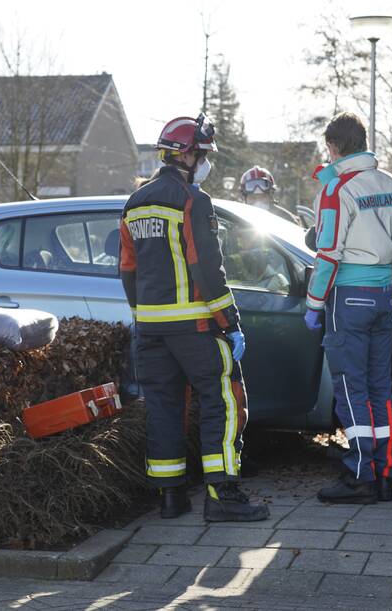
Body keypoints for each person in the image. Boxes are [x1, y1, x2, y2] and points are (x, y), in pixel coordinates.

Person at [119, 113, 269, 522]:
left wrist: (145, 314)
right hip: (196, 327)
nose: (206, 161)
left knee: (164, 408)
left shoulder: (134, 203)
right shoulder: (193, 201)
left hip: (150, 329)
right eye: (203, 153)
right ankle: (223, 497)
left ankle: (171, 499)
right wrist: (231, 322)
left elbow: (127, 270)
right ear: (187, 156)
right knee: (221, 401)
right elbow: (207, 268)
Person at [303, 112, 392, 505]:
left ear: (332, 148)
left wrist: (315, 303)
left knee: (351, 389)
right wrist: (387, 282)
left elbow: (328, 253)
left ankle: (360, 475)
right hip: (384, 295)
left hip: (348, 298)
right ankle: (385, 472)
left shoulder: (337, 190)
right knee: (380, 386)